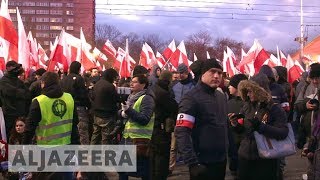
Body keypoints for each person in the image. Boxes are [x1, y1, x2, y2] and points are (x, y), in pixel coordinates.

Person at [175, 59, 228, 180]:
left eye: (220, 73)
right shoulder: (191, 98)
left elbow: (225, 126)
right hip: (201, 163)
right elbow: (182, 131)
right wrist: (192, 163)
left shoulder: (220, 96)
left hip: (220, 161)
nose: (216, 76)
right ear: (203, 73)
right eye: (212, 72)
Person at [22, 72, 79, 179]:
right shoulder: (69, 98)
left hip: (45, 149)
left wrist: (24, 146)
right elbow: (75, 124)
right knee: (66, 176)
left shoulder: (39, 101)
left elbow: (29, 128)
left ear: (43, 84)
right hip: (66, 146)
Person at [232, 76, 288, 180]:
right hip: (245, 157)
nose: (248, 94)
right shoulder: (246, 106)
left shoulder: (274, 108)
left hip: (265, 159)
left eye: (251, 91)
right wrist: (236, 125)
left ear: (260, 91)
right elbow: (244, 131)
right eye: (247, 91)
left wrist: (261, 127)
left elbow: (283, 133)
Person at [118, 74, 155, 180]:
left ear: (143, 84)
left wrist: (128, 111)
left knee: (142, 171)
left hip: (140, 141)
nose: (131, 83)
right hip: (127, 139)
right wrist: (122, 113)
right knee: (122, 171)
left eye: (135, 82)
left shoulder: (147, 99)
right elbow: (123, 112)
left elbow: (144, 119)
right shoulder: (130, 97)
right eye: (131, 81)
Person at [150, 70, 178, 180]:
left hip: (152, 127)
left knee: (153, 156)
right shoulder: (163, 93)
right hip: (160, 128)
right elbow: (173, 106)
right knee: (161, 157)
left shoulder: (153, 88)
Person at [294, 63, 320, 180]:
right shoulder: (305, 88)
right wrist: (305, 105)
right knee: (311, 167)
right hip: (309, 134)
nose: (315, 81)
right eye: (313, 78)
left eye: (318, 78)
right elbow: (297, 105)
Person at [170, 63, 195, 173]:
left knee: (190, 142)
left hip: (190, 117)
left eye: (182, 73)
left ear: (187, 73)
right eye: (178, 72)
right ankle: (170, 167)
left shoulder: (193, 86)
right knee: (173, 145)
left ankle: (192, 164)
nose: (179, 75)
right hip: (175, 117)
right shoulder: (174, 85)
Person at [61, 61, 91, 145]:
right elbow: (83, 94)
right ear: (78, 69)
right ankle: (84, 152)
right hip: (78, 107)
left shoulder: (64, 79)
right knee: (82, 131)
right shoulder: (79, 79)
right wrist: (89, 105)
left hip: (66, 107)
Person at [0, 61, 31, 139]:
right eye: (16, 68)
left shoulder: (18, 81)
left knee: (21, 137)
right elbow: (12, 93)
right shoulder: (4, 81)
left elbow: (27, 94)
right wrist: (21, 93)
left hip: (20, 115)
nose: (18, 70)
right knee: (11, 137)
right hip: (10, 115)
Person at [90, 68, 119, 145]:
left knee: (95, 136)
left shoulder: (97, 84)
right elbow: (116, 99)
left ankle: (91, 154)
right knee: (106, 139)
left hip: (96, 115)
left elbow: (92, 97)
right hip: (107, 116)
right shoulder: (110, 86)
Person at [227, 74, 248, 179]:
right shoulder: (229, 102)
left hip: (243, 146)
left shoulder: (246, 104)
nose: (228, 87)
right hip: (232, 145)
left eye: (231, 85)